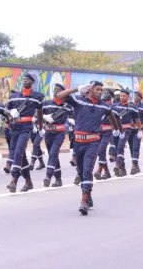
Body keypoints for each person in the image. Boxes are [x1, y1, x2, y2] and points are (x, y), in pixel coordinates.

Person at [56, 81, 120, 216]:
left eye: (101, 89)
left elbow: (112, 116)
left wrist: (116, 130)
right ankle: (88, 196)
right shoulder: (79, 101)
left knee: (87, 170)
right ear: (89, 90)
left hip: (93, 142)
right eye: (97, 89)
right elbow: (59, 96)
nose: (100, 92)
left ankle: (84, 200)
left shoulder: (103, 106)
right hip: (78, 142)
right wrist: (76, 89)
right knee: (80, 172)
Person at [5, 73, 45, 192]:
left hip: (26, 127)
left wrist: (41, 127)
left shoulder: (37, 96)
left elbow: (40, 112)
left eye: (27, 80)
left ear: (32, 82)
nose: (25, 81)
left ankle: (14, 180)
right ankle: (28, 182)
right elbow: (5, 109)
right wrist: (11, 111)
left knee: (18, 151)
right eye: (24, 79)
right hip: (15, 127)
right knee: (20, 156)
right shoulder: (14, 96)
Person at [42, 83, 74, 187]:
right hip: (48, 133)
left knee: (52, 153)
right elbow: (37, 115)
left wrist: (73, 122)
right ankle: (59, 179)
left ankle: (48, 176)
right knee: (54, 155)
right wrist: (44, 118)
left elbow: (75, 116)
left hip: (59, 134)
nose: (56, 91)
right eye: (55, 89)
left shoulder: (67, 106)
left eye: (59, 90)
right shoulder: (46, 103)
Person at [112, 89, 141, 176]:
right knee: (117, 148)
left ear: (128, 97)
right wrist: (114, 129)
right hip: (117, 130)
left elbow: (137, 119)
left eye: (124, 96)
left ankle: (117, 165)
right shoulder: (115, 106)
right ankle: (123, 169)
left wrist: (139, 130)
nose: (122, 97)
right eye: (121, 96)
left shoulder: (132, 107)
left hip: (127, 129)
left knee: (121, 147)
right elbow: (112, 119)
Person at [94, 88, 119, 180]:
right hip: (97, 132)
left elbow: (117, 120)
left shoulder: (113, 107)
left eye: (107, 93)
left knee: (101, 150)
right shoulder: (98, 105)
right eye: (104, 92)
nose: (104, 93)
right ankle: (107, 172)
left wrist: (117, 130)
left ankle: (99, 170)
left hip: (108, 132)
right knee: (100, 152)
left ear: (111, 96)